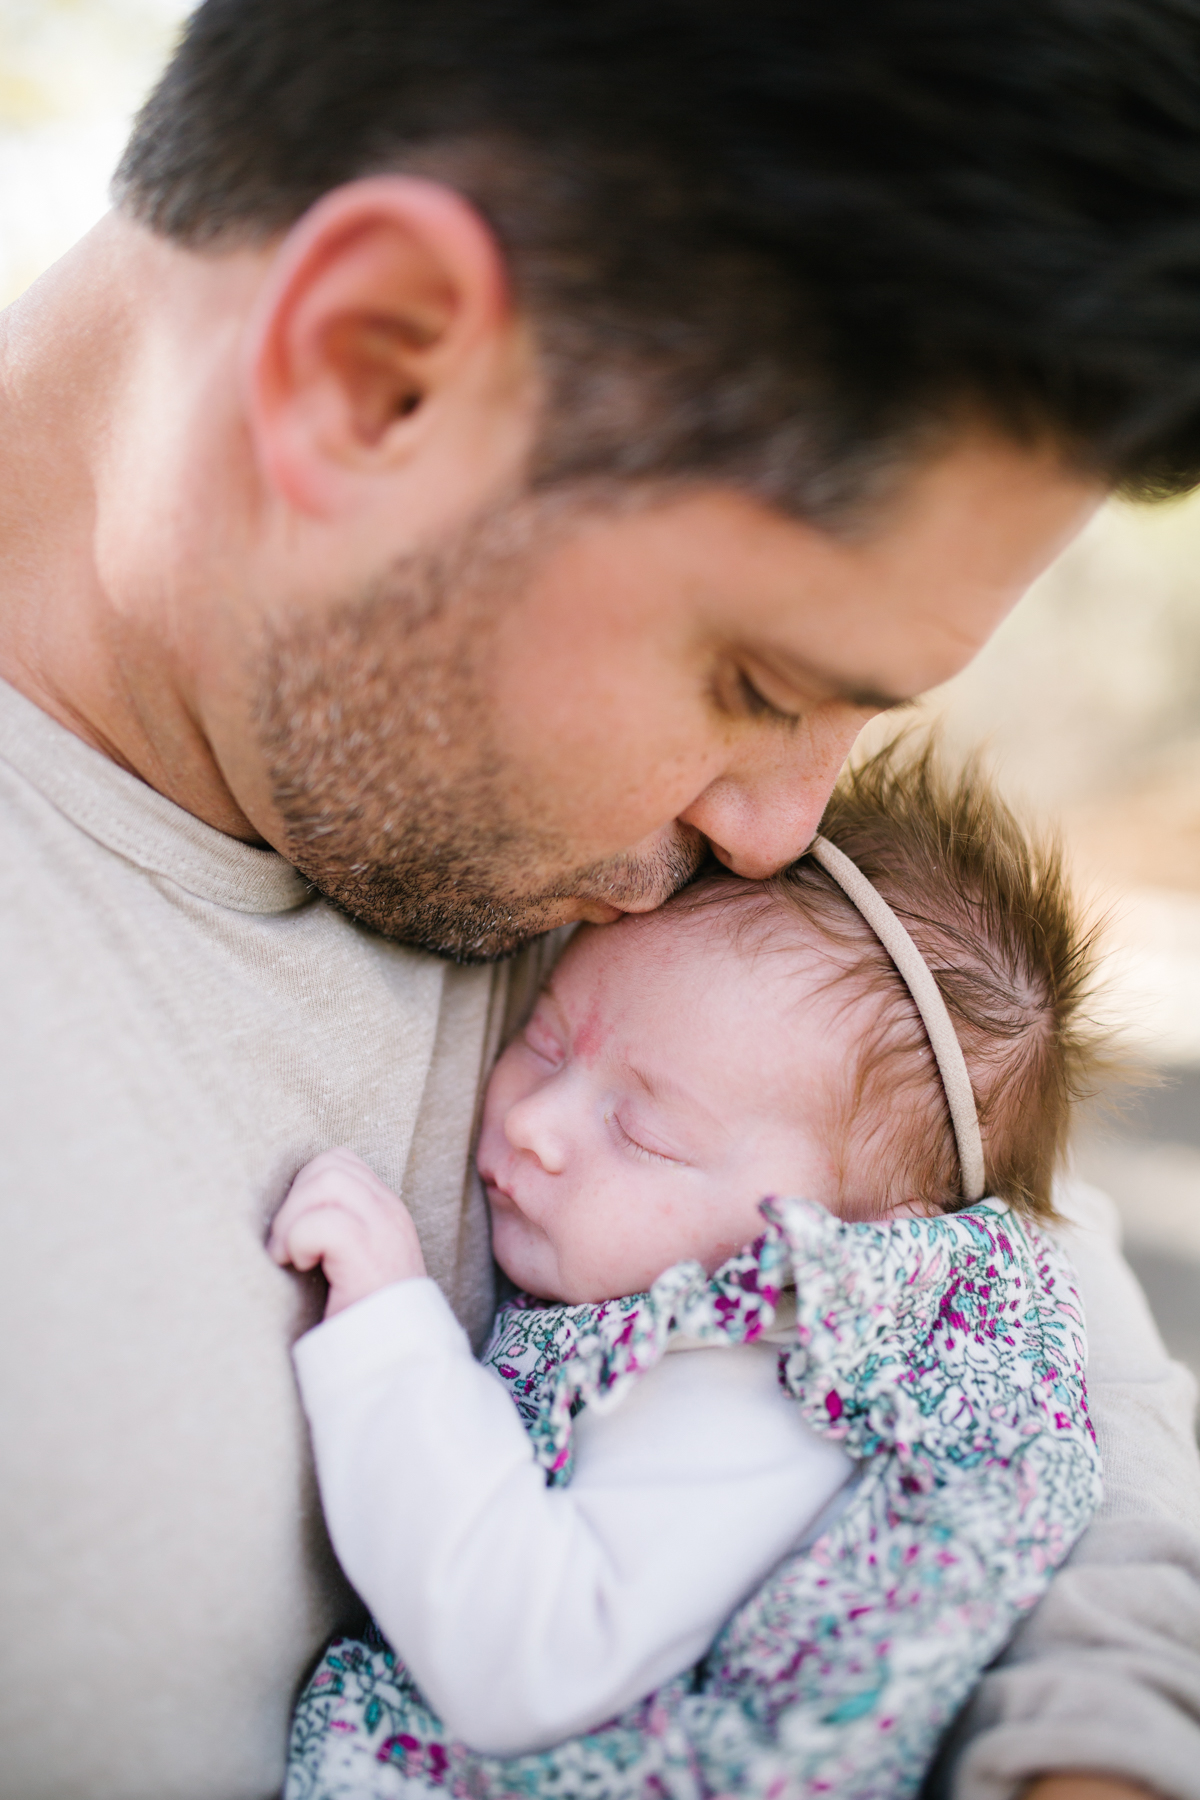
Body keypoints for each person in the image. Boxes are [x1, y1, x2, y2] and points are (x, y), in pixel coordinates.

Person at [2, 2, 1200, 1796]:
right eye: (764, 686)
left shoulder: (626, 876)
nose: (784, 832)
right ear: (379, 370)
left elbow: (1034, 1337)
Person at [269, 744, 1104, 1796]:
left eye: (646, 1133)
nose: (533, 1124)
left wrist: (392, 1341)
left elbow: (528, 1659)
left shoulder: (761, 1392)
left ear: (851, 1249)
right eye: (544, 1038)